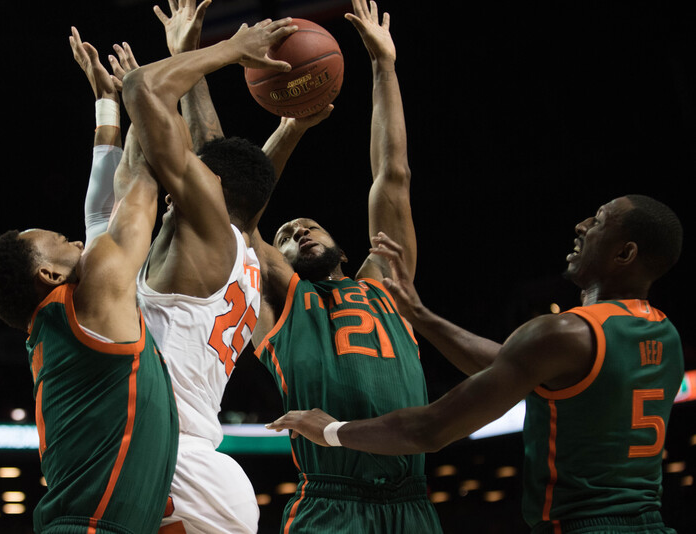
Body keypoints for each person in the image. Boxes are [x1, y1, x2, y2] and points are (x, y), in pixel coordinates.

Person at [268, 195, 684, 534]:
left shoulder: (563, 333)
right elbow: (512, 364)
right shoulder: (665, 334)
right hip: (650, 522)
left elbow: (430, 429)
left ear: (625, 253)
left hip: (585, 525)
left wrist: (330, 430)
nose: (581, 225)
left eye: (598, 221)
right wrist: (421, 316)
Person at [82, 10, 317, 534]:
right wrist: (184, 61)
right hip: (196, 468)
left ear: (209, 190)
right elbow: (213, 148)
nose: (168, 200)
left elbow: (144, 88)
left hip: (172, 468)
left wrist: (232, 49)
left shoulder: (209, 237)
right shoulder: (242, 253)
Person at [246, 1, 444, 532]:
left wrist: (384, 67)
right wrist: (289, 131)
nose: (297, 232)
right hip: (331, 502)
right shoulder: (280, 302)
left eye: (307, 226)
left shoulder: (387, 284)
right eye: (285, 235)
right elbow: (238, 219)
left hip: (412, 501)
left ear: (344, 250)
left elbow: (392, 175)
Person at [0, 117, 179, 531]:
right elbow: (137, 188)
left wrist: (108, 106)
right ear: (49, 275)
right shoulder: (87, 303)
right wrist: (143, 94)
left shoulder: (64, 321)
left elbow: (102, 213)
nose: (74, 240)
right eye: (58, 240)